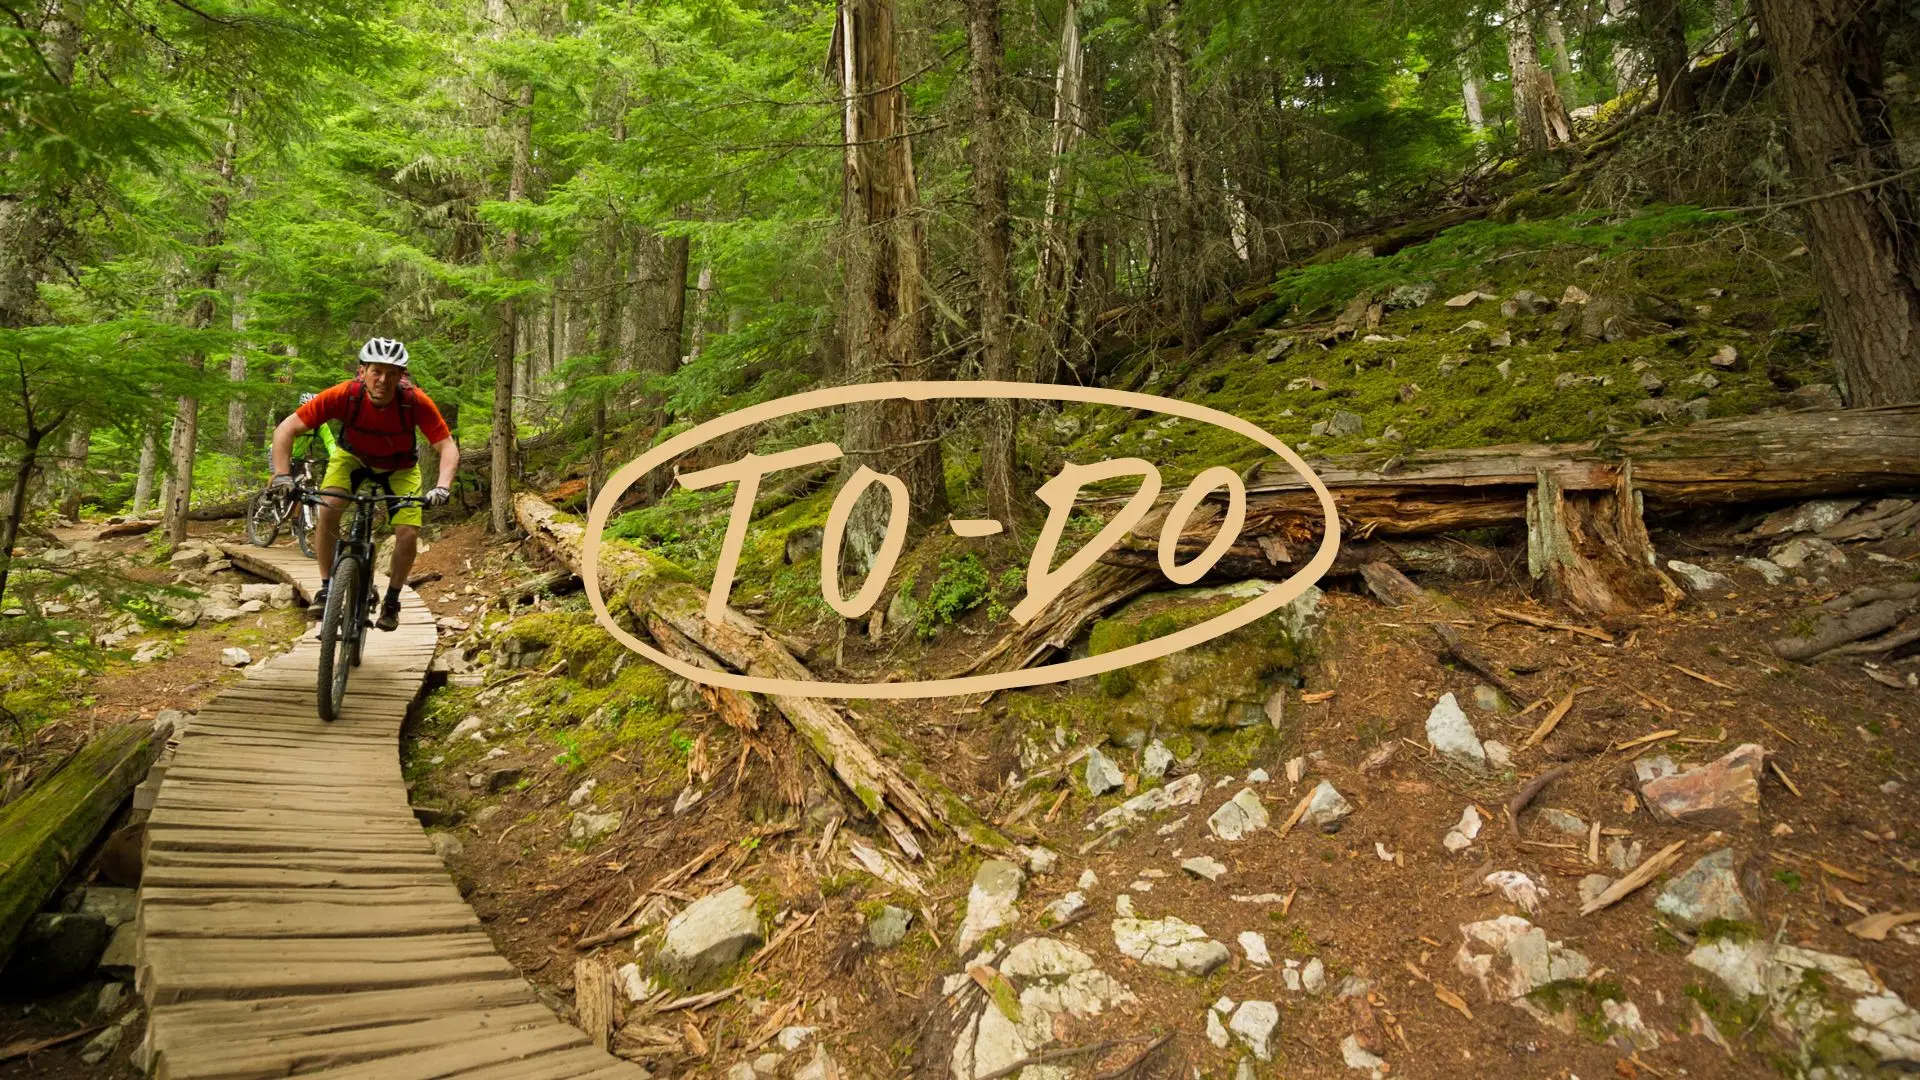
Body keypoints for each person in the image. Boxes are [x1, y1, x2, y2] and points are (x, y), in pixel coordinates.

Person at [269, 338, 459, 632]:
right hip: (352, 459)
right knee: (329, 507)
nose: (384, 380)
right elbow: (286, 429)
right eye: (377, 371)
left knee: (407, 533)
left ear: (402, 376)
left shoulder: (414, 401)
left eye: (392, 373)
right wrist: (281, 476)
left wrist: (442, 487)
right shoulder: (344, 395)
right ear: (363, 371)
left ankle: (393, 599)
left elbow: (447, 447)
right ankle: (326, 586)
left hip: (400, 467)